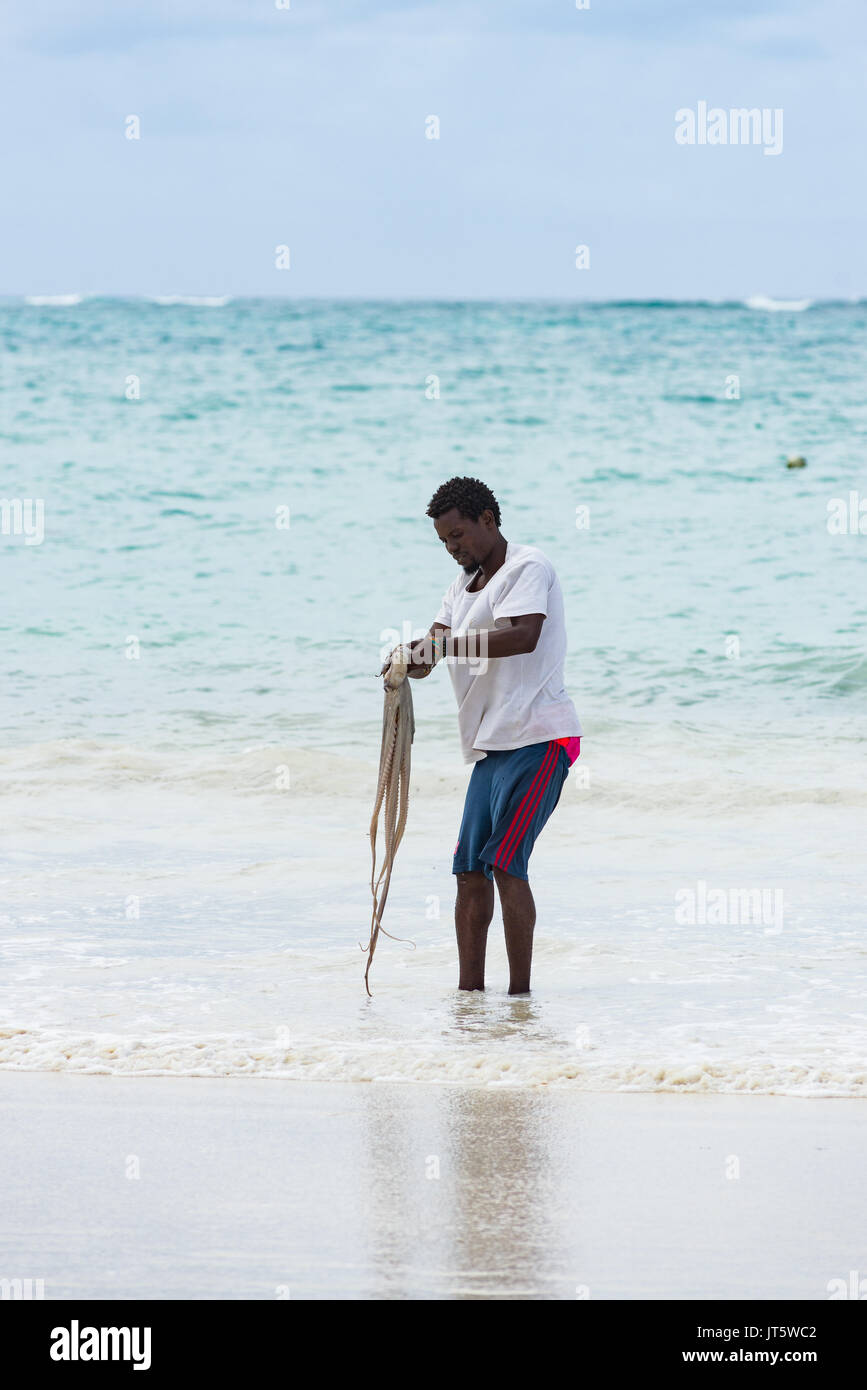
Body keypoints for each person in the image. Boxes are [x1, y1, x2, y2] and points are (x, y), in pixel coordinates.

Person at [385, 476, 582, 994]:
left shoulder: (527, 567)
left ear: (487, 521)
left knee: (504, 863)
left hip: (540, 738)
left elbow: (523, 634)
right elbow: (437, 646)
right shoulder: (460, 588)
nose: (453, 549)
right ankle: (469, 997)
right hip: (490, 746)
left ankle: (520, 998)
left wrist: (447, 648)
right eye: (444, 542)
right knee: (470, 870)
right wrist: (408, 658)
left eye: (458, 536)